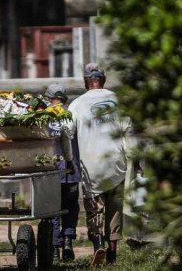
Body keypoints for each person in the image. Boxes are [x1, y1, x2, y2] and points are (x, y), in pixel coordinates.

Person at [67, 63, 131, 266]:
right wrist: (135, 161)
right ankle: (112, 255)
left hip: (90, 167)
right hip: (116, 166)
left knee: (95, 210)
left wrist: (70, 161)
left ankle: (98, 247)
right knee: (115, 211)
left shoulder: (76, 104)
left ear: (86, 81)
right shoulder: (119, 100)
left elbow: (68, 133)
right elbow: (129, 132)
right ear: (103, 80)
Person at [44, 84, 80, 263]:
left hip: (51, 170)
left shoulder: (42, 115)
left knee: (53, 209)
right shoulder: (72, 113)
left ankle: (56, 249)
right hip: (71, 168)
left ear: (49, 97)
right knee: (71, 206)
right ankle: (68, 241)